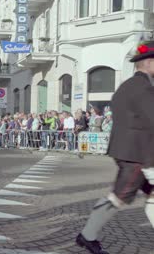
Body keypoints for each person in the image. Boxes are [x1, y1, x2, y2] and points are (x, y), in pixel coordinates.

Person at [76, 41, 154, 254]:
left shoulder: (127, 86)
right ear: (148, 62)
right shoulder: (144, 87)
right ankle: (87, 235)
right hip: (138, 155)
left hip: (129, 152)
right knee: (118, 197)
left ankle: (87, 235)